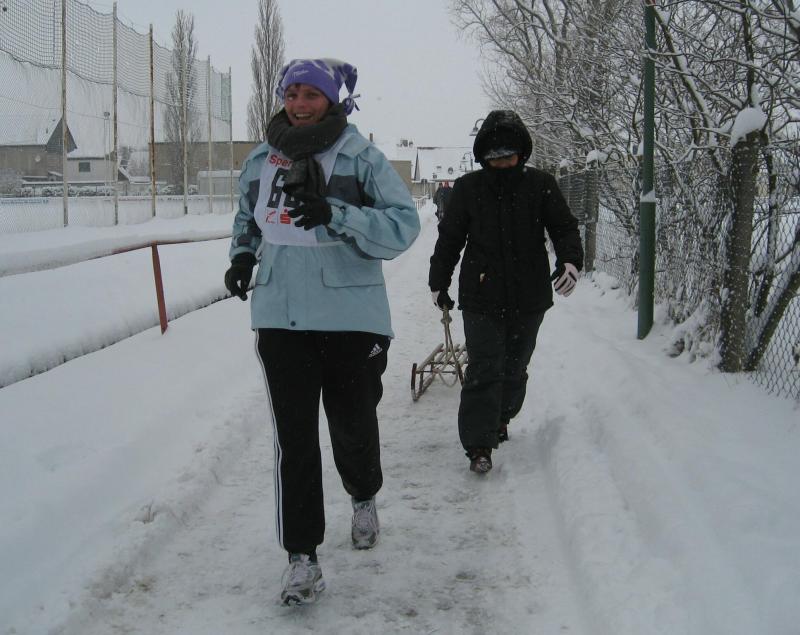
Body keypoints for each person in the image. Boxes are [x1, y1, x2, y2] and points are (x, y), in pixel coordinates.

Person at [224, 58, 420, 605]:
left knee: (351, 426)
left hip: (351, 319)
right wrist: (242, 255)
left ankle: (363, 495)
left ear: (332, 100)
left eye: (311, 94)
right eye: (292, 93)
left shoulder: (360, 158)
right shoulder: (262, 158)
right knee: (295, 441)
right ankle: (302, 558)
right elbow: (246, 218)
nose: (300, 104)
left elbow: (403, 227)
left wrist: (336, 213)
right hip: (279, 317)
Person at [428, 110, 583, 474]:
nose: (501, 163)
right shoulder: (468, 188)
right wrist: (439, 282)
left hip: (530, 296)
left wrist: (570, 262)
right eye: (494, 157)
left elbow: (564, 228)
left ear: (521, 154)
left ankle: (500, 417)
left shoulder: (541, 185)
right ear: (483, 156)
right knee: (484, 367)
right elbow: (450, 238)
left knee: (515, 368)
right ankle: (479, 445)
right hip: (481, 295)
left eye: (508, 156)